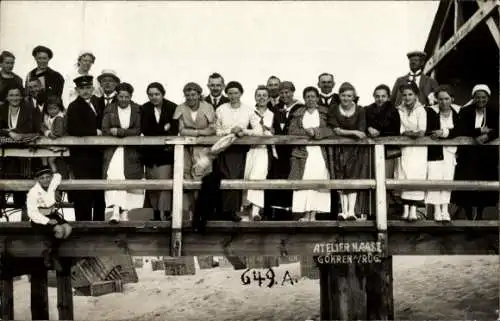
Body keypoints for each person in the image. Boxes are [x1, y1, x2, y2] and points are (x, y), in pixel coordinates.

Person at [452, 84, 499, 220]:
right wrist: (479, 131)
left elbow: (497, 129)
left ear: (488, 98)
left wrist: (488, 136)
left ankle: (479, 214)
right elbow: (461, 129)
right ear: (473, 98)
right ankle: (468, 214)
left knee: (483, 185)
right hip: (468, 155)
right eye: (477, 97)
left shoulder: (494, 111)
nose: (480, 100)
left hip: (486, 156)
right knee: (466, 184)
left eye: (483, 97)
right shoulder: (465, 111)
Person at [327, 82, 370, 220]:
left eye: (349, 96)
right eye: (343, 95)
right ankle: (342, 211)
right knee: (340, 177)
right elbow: (335, 130)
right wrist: (353, 132)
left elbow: (362, 131)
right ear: (339, 96)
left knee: (353, 178)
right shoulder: (334, 109)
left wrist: (354, 133)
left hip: (355, 150)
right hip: (338, 149)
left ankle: (351, 211)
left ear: (354, 97)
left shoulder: (360, 110)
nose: (346, 98)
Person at [66, 75, 105, 221]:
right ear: (77, 90)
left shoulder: (99, 103)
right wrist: (94, 132)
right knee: (83, 190)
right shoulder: (73, 106)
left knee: (100, 189)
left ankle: (99, 222)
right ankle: (83, 223)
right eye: (82, 88)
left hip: (98, 154)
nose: (85, 91)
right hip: (81, 155)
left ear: (93, 88)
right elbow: (73, 128)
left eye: (88, 88)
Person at [173, 82, 216, 219]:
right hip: (185, 148)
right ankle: (191, 214)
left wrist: (194, 133)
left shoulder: (207, 107)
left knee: (202, 177)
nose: (190, 98)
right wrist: (200, 133)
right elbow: (180, 130)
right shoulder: (181, 108)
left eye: (193, 95)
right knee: (186, 177)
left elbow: (212, 129)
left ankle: (203, 214)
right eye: (187, 95)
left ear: (199, 94)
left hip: (203, 149)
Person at [102, 82, 143, 223]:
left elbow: (137, 130)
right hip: (114, 151)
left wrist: (120, 131)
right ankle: (114, 211)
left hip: (131, 151)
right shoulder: (110, 109)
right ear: (117, 96)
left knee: (130, 178)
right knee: (113, 176)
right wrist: (116, 132)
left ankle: (126, 212)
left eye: (127, 96)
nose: (124, 99)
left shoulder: (137, 109)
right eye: (121, 96)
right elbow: (105, 129)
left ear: (131, 96)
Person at [288, 87, 331, 221]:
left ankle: (314, 214)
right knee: (304, 180)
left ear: (318, 98)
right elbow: (292, 131)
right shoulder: (298, 113)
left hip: (320, 152)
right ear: (304, 98)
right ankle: (306, 213)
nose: (310, 99)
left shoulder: (325, 113)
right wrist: (307, 132)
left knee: (319, 179)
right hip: (302, 153)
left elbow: (331, 129)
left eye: (313, 96)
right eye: (307, 97)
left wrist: (317, 132)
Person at [214, 81, 254, 221]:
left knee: (235, 178)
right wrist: (229, 130)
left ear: (241, 93)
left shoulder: (248, 109)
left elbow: (256, 129)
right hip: (224, 148)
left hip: (240, 149)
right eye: (230, 93)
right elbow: (216, 130)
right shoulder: (221, 109)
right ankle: (224, 211)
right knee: (224, 177)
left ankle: (233, 211)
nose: (233, 96)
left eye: (236, 93)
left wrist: (243, 131)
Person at [264, 81, 303, 221]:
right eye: (282, 93)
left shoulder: (300, 108)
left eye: (287, 92)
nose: (284, 95)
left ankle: (292, 210)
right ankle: (277, 212)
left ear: (293, 92)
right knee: (277, 177)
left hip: (293, 149)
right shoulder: (275, 108)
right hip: (278, 150)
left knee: (292, 177)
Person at [141, 82, 178, 221]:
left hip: (165, 153)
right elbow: (145, 129)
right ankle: (156, 216)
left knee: (164, 185)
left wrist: (164, 129)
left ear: (163, 94)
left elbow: (174, 129)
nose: (154, 97)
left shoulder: (172, 107)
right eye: (150, 94)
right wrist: (164, 128)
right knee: (152, 186)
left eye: (157, 94)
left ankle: (166, 214)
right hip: (150, 155)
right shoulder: (144, 108)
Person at [0, 85, 37, 219]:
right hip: (4, 154)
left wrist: (18, 135)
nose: (14, 98)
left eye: (17, 95)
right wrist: (9, 132)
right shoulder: (2, 109)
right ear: (6, 97)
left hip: (23, 153)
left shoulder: (28, 109)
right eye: (11, 95)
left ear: (21, 96)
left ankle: (24, 212)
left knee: (23, 182)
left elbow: (32, 127)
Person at [425, 85, 460, 222]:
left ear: (452, 99)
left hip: (451, 152)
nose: (444, 102)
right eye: (440, 99)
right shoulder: (431, 112)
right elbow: (427, 129)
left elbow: (460, 129)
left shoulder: (458, 112)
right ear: (436, 100)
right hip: (435, 152)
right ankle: (437, 211)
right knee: (435, 179)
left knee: (447, 180)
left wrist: (445, 132)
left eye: (446, 99)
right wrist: (435, 133)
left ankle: (445, 209)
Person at [27, 166, 72, 271]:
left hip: (53, 215)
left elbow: (58, 175)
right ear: (37, 180)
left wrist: (55, 189)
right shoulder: (33, 193)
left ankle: (50, 250)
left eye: (48, 177)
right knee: (60, 231)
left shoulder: (52, 184)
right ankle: (53, 255)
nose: (45, 180)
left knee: (68, 229)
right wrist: (48, 221)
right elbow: (32, 213)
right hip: (39, 219)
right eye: (42, 178)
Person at [395, 82, 428, 221]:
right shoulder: (399, 110)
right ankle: (405, 209)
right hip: (405, 148)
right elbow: (399, 129)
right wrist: (407, 132)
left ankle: (414, 210)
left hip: (418, 149)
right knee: (404, 175)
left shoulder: (421, 110)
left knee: (416, 176)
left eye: (410, 94)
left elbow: (421, 130)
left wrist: (408, 132)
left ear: (416, 95)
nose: (407, 97)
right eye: (404, 95)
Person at [244, 85, 275, 221]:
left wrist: (271, 131)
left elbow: (277, 132)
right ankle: (245, 211)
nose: (261, 98)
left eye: (264, 95)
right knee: (246, 177)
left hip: (263, 150)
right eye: (259, 95)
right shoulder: (249, 112)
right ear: (255, 97)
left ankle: (256, 211)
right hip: (249, 150)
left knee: (258, 178)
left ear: (268, 98)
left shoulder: (273, 113)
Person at [40, 95, 67, 174]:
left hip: (60, 143)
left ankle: (55, 175)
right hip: (52, 143)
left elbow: (56, 134)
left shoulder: (59, 118)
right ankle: (46, 172)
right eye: (50, 109)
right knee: (43, 156)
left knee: (51, 160)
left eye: (55, 108)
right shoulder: (48, 117)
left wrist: (46, 132)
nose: (52, 111)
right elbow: (42, 125)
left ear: (59, 108)